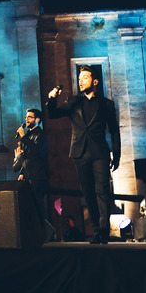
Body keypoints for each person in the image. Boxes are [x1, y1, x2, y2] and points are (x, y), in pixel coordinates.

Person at [47, 65, 121, 244]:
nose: (81, 81)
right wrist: (51, 99)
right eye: (79, 78)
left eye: (85, 77)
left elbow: (114, 131)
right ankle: (97, 230)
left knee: (102, 191)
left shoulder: (107, 104)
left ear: (95, 81)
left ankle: (104, 230)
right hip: (80, 153)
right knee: (88, 193)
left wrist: (116, 155)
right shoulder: (73, 101)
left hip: (100, 153)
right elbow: (53, 114)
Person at [13, 107, 53, 240]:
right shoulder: (28, 136)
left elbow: (36, 153)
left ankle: (45, 235)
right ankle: (34, 235)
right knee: (29, 207)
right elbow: (25, 157)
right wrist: (22, 172)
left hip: (38, 176)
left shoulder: (41, 135)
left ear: (37, 120)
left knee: (38, 206)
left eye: (30, 117)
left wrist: (23, 137)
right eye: (26, 117)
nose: (26, 119)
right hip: (27, 177)